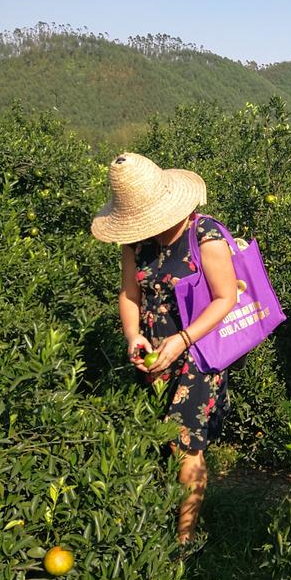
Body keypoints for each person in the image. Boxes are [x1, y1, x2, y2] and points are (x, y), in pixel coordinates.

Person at [91, 152, 237, 547]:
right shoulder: (135, 243)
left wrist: (183, 339)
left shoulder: (204, 236)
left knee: (187, 445)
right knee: (156, 438)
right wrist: (133, 335)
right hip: (153, 354)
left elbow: (225, 299)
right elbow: (129, 292)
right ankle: (151, 524)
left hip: (197, 356)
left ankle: (184, 540)